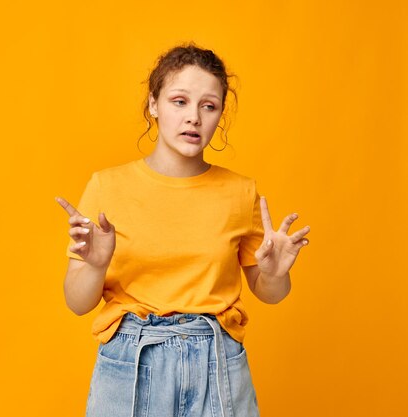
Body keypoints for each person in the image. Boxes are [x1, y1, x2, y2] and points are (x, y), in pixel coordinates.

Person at [55, 42, 310, 417]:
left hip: (217, 360)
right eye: (179, 101)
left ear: (219, 115)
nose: (194, 117)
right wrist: (94, 265)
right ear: (154, 105)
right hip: (131, 359)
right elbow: (77, 304)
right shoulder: (107, 187)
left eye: (209, 106)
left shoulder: (241, 192)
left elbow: (270, 293)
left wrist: (274, 275)